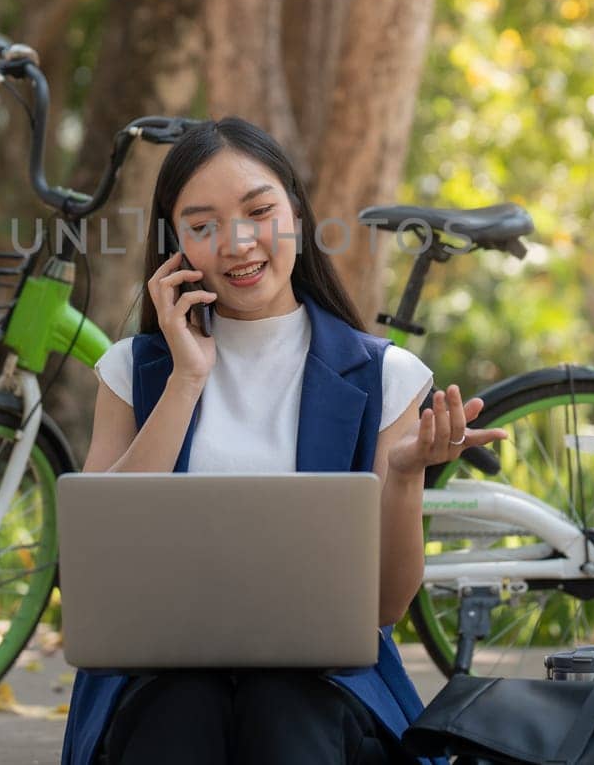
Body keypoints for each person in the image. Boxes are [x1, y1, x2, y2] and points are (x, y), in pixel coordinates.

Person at [60, 116, 505, 765]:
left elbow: (382, 606)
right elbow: (99, 563)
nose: (237, 243)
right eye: (202, 225)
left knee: (282, 702)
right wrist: (186, 379)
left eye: (258, 210)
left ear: (295, 209)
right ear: (175, 242)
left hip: (323, 687)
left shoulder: (385, 375)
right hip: (157, 679)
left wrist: (405, 475)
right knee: (181, 706)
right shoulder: (134, 370)